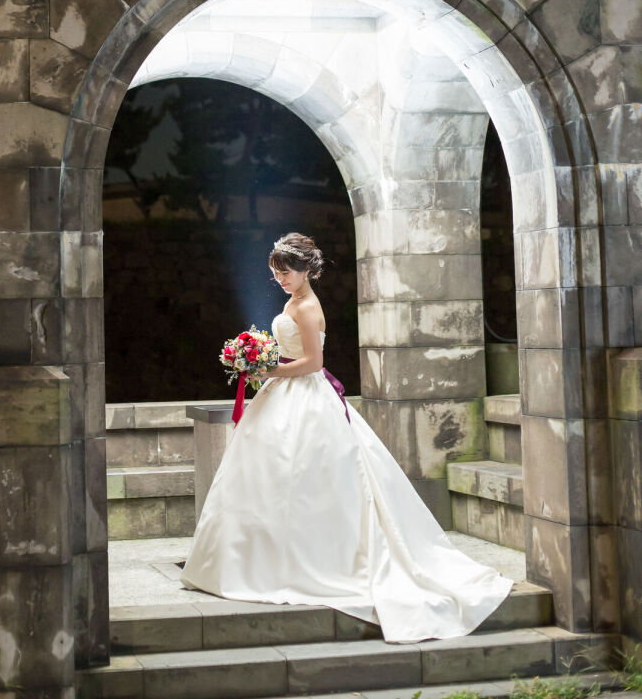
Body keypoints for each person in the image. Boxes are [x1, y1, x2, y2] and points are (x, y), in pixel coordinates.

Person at [180, 232, 514, 643]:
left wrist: (267, 370)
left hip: (302, 393)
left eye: (286, 272)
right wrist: (261, 358)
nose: (281, 279)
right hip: (285, 393)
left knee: (302, 473)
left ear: (306, 270)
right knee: (264, 474)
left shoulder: (307, 306)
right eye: (276, 273)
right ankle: (251, 562)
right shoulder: (294, 301)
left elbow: (312, 363)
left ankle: (301, 564)